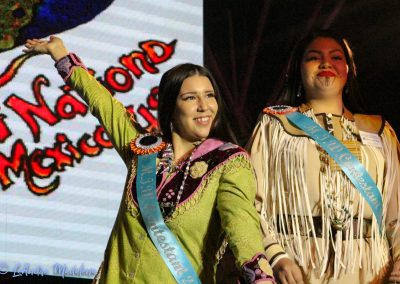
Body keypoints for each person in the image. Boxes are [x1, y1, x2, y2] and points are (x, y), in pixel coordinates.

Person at [23, 36, 276, 284]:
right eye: (190, 98)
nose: (205, 106)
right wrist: (59, 53)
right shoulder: (143, 152)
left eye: (210, 96)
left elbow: (242, 226)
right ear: (170, 106)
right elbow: (103, 104)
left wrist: (260, 277)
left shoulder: (229, 161)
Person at [247, 29, 400, 283]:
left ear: (349, 69)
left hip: (369, 269)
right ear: (298, 69)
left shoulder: (380, 131)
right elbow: (251, 203)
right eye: (314, 57)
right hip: (298, 264)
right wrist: (275, 256)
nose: (326, 63)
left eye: (336, 57)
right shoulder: (275, 126)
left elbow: (396, 209)